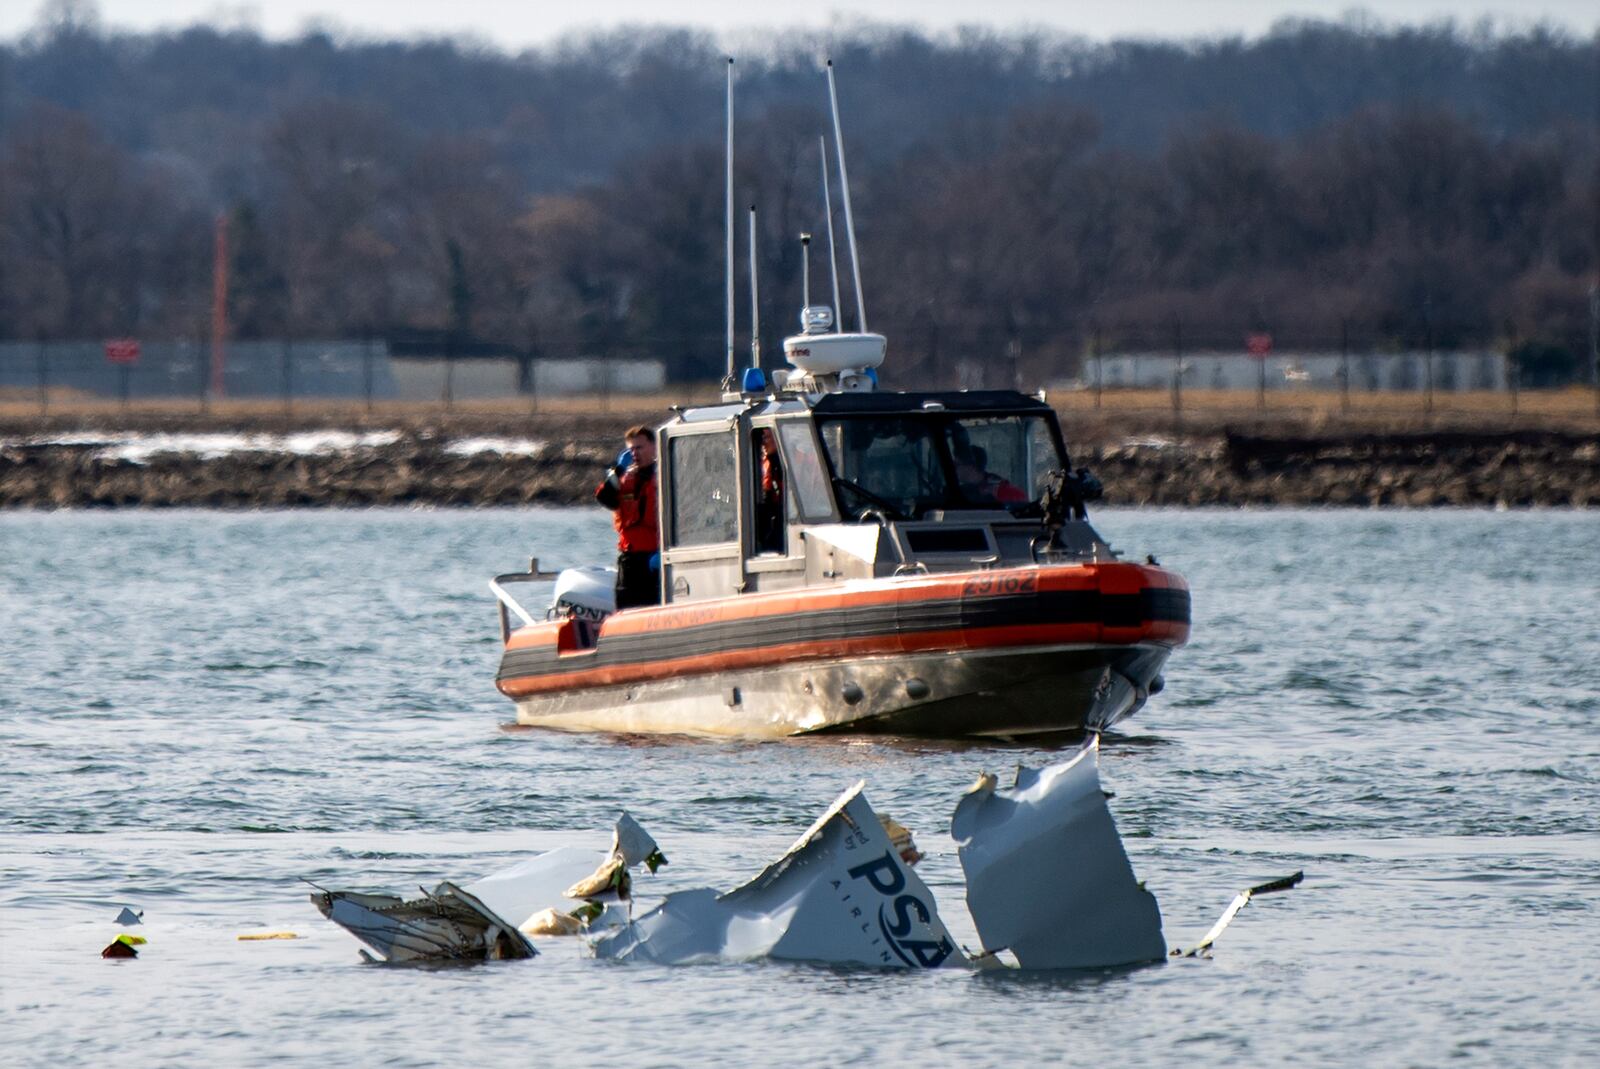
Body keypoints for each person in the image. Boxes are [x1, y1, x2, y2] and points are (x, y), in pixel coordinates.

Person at [595, 425, 660, 609]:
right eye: (631, 449)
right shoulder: (624, 479)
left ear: (654, 447)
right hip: (630, 559)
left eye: (639, 447)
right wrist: (618, 471)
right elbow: (604, 498)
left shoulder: (664, 476)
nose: (634, 453)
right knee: (626, 607)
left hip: (654, 559)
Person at [954, 446, 1027, 506]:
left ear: (971, 467)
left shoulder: (1009, 494)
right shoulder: (960, 492)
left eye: (956, 464)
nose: (953, 468)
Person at [754, 429, 785, 554]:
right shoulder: (764, 464)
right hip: (772, 518)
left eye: (766, 438)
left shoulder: (789, 462)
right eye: (761, 440)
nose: (763, 444)